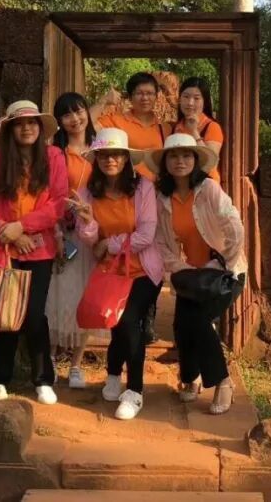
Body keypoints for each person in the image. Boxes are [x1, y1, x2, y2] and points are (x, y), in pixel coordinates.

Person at [0, 99, 66, 405]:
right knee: (6, 315)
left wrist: (22, 227)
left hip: (39, 248)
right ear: (11, 130)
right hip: (3, 250)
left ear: (40, 128)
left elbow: (57, 203)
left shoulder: (54, 158)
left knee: (34, 315)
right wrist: (10, 233)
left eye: (32, 122)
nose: (26, 128)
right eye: (20, 124)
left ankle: (43, 378)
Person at [147, 133, 247, 415]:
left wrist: (223, 264)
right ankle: (191, 378)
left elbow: (235, 228)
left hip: (226, 274)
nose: (180, 161)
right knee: (182, 325)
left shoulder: (209, 189)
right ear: (165, 163)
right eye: (173, 156)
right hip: (192, 276)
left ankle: (223, 381)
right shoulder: (162, 198)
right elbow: (160, 241)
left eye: (186, 155)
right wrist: (181, 268)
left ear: (195, 160)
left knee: (200, 322)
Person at [76, 127, 163, 420]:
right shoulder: (88, 192)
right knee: (116, 324)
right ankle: (113, 374)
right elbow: (89, 239)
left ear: (126, 158)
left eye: (116, 154)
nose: (110, 159)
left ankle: (134, 391)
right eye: (104, 154)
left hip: (143, 270)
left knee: (128, 322)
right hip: (111, 272)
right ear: (96, 158)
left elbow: (146, 234)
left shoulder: (143, 188)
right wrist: (89, 225)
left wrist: (109, 244)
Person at [93, 71, 168, 344]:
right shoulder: (118, 120)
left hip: (157, 197)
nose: (144, 98)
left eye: (150, 93)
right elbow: (89, 122)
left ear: (157, 97)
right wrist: (105, 99)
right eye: (139, 93)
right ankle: (124, 307)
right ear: (130, 96)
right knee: (132, 248)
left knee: (155, 254)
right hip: (128, 193)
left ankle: (148, 314)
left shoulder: (165, 127)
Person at [45, 91, 108, 388]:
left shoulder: (100, 150)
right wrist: (56, 231)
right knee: (56, 295)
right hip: (61, 232)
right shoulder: (55, 154)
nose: (75, 118)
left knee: (85, 298)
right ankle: (49, 360)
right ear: (59, 121)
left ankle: (76, 365)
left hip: (90, 232)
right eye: (67, 114)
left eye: (79, 110)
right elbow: (48, 195)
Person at [165, 77, 223, 183]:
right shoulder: (174, 128)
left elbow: (211, 163)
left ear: (204, 102)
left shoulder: (212, 127)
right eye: (186, 97)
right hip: (180, 185)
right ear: (179, 100)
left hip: (205, 184)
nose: (190, 103)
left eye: (196, 98)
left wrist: (194, 132)